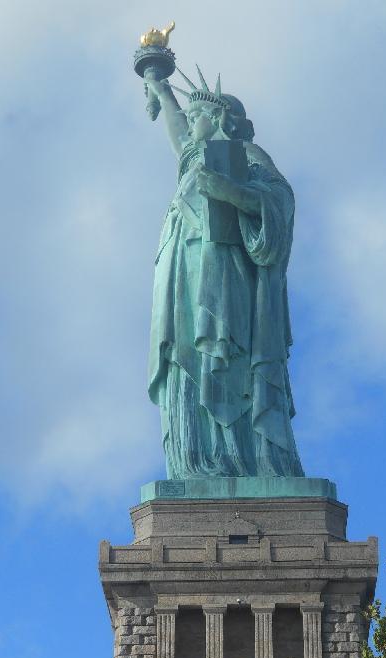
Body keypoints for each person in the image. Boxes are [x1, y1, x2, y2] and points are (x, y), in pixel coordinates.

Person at [144, 70, 304, 479]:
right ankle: (196, 462)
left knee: (225, 357)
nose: (188, 121)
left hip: (223, 269)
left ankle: (244, 459)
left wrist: (226, 190)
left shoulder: (244, 151)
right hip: (181, 268)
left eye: (196, 113)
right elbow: (179, 134)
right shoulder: (192, 158)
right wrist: (160, 87)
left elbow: (279, 198)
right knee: (188, 359)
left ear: (217, 118)